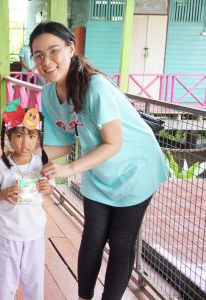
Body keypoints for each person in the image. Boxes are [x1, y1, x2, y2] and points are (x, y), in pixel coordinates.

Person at [29, 22, 168, 300]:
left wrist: (69, 169)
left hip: (136, 169)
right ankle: (84, 296)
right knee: (92, 237)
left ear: (71, 49)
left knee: (120, 241)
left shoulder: (96, 87)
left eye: (53, 51)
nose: (47, 61)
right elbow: (62, 144)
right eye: (38, 55)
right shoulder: (48, 94)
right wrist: (22, 160)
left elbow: (114, 142)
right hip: (97, 168)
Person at [0, 100, 53, 300]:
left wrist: (47, 188)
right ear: (9, 137)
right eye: (19, 135)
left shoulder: (42, 163)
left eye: (31, 136)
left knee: (35, 280)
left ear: (38, 138)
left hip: (35, 233)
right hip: (9, 233)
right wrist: (4, 194)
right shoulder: (1, 166)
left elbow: (49, 190)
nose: (25, 142)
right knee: (5, 281)